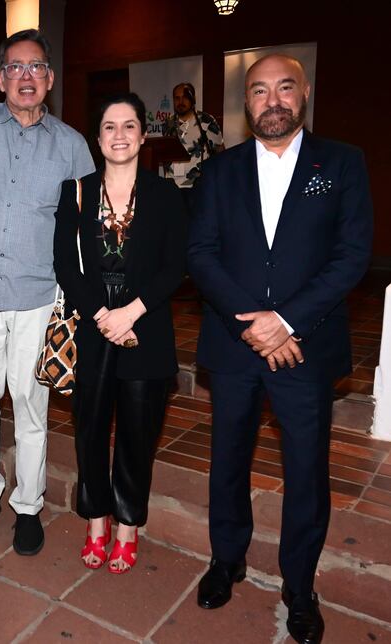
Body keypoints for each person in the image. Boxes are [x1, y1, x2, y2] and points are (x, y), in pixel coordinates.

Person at [188, 54, 373, 644]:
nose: (273, 101)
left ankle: (300, 585)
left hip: (305, 346)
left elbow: (352, 255)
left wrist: (287, 322)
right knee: (228, 461)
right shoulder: (220, 171)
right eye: (260, 91)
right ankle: (227, 560)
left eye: (284, 88)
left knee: (306, 472)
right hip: (237, 341)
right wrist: (254, 325)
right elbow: (201, 254)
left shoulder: (341, 163)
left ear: (305, 93)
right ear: (247, 103)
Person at [0, 29, 95, 555]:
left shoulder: (72, 144)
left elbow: (82, 227)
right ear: (0, 77)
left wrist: (75, 295)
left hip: (39, 296)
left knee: (31, 406)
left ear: (50, 78)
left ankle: (29, 505)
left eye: (36, 68)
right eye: (16, 67)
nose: (26, 77)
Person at [54, 93, 188, 573]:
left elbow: (177, 265)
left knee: (137, 433)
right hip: (92, 328)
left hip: (146, 327)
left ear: (142, 134)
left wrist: (131, 310)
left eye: (129, 126)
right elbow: (65, 265)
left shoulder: (165, 195)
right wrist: (101, 314)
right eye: (109, 126)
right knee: (89, 432)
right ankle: (96, 522)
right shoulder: (75, 191)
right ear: (97, 137)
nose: (119, 135)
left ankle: (128, 527)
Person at [163, 82, 223, 189]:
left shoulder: (206, 121)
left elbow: (220, 152)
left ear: (193, 98)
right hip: (172, 186)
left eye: (185, 97)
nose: (180, 102)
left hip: (198, 185)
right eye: (177, 98)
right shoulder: (168, 123)